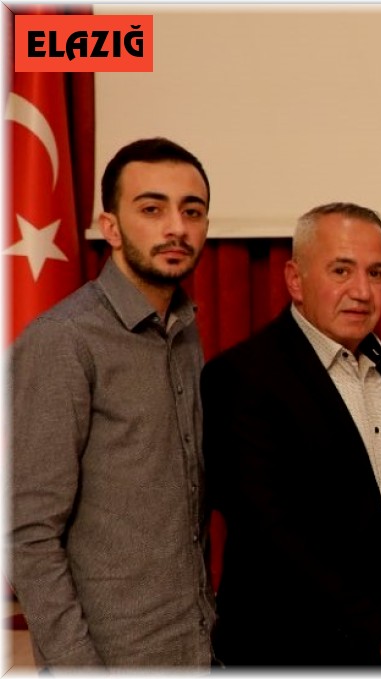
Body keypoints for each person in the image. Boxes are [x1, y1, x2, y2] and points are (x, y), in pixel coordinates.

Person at [200, 202, 381, 668]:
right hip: (294, 655)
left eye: (376, 273)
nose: (361, 291)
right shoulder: (241, 376)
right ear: (295, 279)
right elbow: (271, 535)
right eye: (341, 270)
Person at [8, 138, 215, 667]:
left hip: (195, 646)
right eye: (152, 209)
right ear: (112, 227)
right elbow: (28, 532)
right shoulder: (64, 340)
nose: (176, 228)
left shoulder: (184, 330)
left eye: (192, 211)